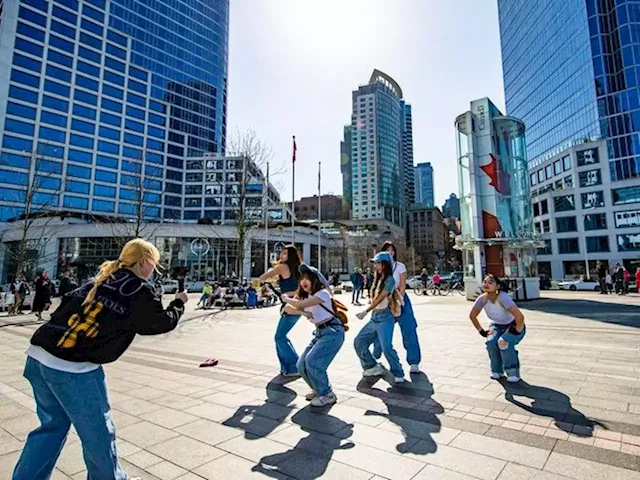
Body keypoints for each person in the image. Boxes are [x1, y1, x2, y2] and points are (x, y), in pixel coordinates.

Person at [12, 238, 188, 480]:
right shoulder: (139, 289)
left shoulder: (100, 279)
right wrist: (179, 303)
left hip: (39, 356)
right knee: (98, 435)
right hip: (74, 369)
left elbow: (64, 308)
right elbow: (158, 323)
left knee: (51, 428)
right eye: (154, 265)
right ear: (145, 263)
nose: (152, 270)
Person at [282, 265, 345, 407]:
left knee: (313, 362)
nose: (304, 282)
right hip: (320, 333)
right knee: (301, 364)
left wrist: (288, 299)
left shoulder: (322, 294)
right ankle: (318, 389)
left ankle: (327, 394)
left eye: (308, 279)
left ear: (315, 280)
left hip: (332, 332)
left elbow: (299, 304)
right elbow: (288, 309)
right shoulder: (304, 295)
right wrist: (303, 312)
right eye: (302, 278)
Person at [353, 252, 405, 384]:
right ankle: (371, 366)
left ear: (385, 264)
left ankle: (398, 371)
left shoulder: (390, 280)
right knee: (359, 342)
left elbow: (381, 297)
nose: (375, 266)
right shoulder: (376, 279)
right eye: (375, 263)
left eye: (377, 263)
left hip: (385, 318)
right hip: (374, 317)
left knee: (386, 347)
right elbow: (373, 298)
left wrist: (365, 311)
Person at [373, 241, 422, 373]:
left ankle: (414, 361)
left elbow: (402, 285)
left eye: (392, 250)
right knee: (379, 329)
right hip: (384, 301)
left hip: (399, 299)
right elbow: (376, 286)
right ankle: (375, 356)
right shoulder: (379, 267)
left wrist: (398, 300)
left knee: (409, 329)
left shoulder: (400, 266)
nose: (390, 253)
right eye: (387, 250)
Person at [469, 274, 526, 383]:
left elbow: (520, 317)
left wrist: (516, 331)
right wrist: (481, 331)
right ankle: (497, 371)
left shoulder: (503, 298)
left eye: (490, 282)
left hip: (514, 325)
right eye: (485, 282)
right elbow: (472, 316)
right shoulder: (482, 299)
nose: (486, 284)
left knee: (503, 342)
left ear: (498, 286)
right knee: (491, 342)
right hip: (496, 326)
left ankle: (513, 372)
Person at [259, 245, 304, 376]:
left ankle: (293, 367)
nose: (282, 256)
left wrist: (267, 277)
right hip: (297, 304)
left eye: (285, 253)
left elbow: (263, 277)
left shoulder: (282, 267)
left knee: (279, 337)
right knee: (282, 336)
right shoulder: (298, 269)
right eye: (282, 253)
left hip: (290, 305)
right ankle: (291, 366)